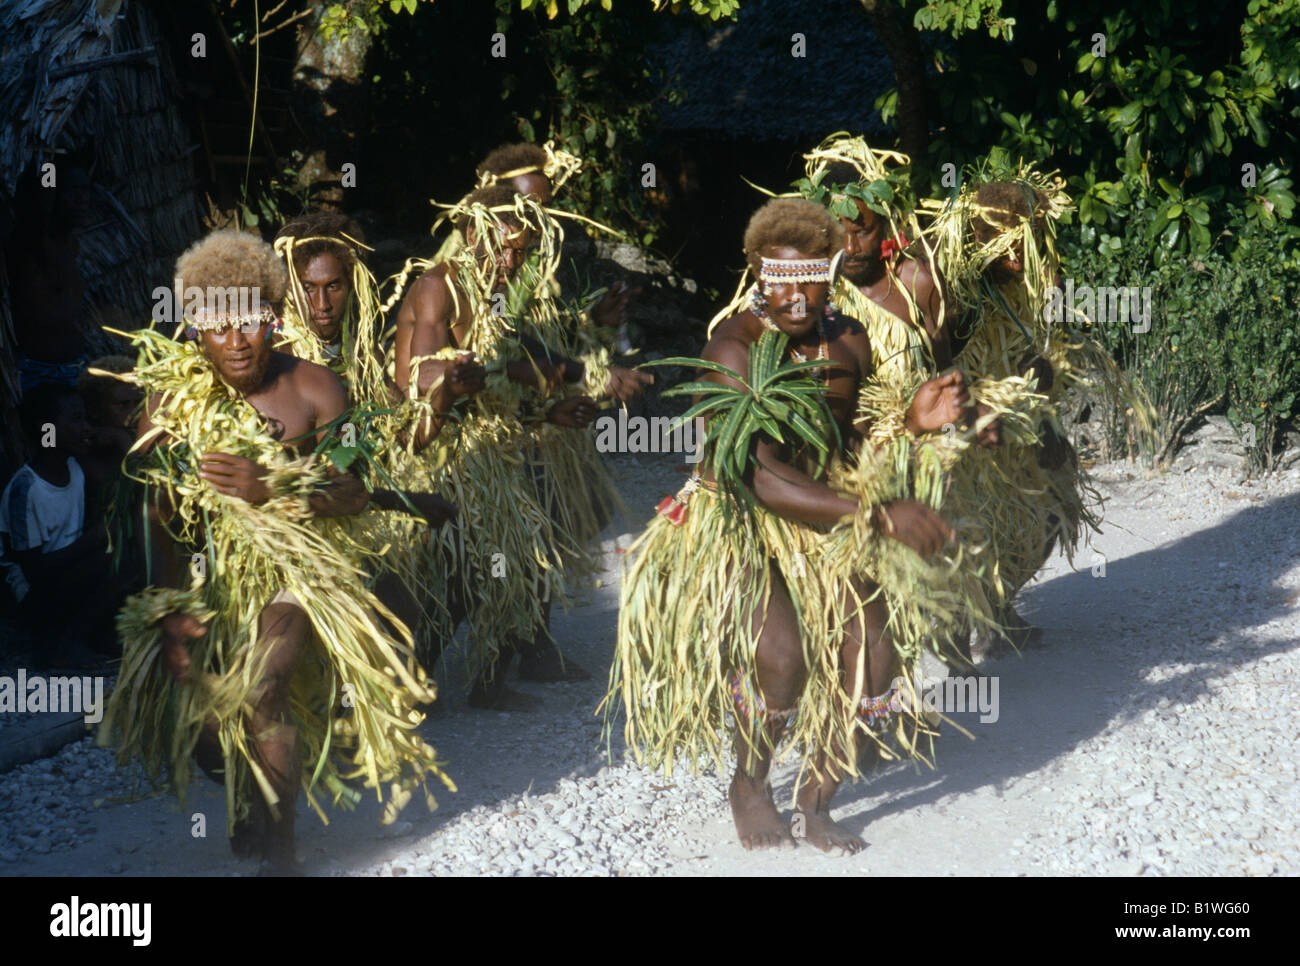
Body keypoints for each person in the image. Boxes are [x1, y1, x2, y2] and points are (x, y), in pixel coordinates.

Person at [613, 199, 976, 853]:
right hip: (740, 521)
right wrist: (873, 516)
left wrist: (908, 426)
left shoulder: (849, 340)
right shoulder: (732, 348)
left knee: (874, 658)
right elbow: (760, 475)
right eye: (780, 281)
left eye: (811, 280)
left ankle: (816, 798)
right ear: (756, 274)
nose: (797, 298)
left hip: (823, 515)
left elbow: (846, 442)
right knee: (782, 659)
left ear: (832, 272)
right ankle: (750, 786)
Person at [98, 229, 451, 874]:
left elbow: (351, 491)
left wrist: (272, 487)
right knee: (209, 721)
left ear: (273, 318)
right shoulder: (168, 406)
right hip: (203, 577)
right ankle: (250, 798)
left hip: (297, 568)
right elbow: (154, 509)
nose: (235, 341)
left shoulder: (316, 388)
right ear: (194, 330)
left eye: (250, 322)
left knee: (265, 685)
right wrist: (169, 609)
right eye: (216, 324)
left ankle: (282, 850)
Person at [0, 383, 119, 663]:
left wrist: (118, 439)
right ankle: (56, 647)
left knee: (123, 556)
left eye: (87, 419)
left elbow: (124, 484)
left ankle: (87, 637)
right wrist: (94, 539)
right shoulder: (27, 489)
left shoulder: (75, 469)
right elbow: (34, 571)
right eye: (77, 420)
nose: (87, 428)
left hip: (68, 577)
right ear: (48, 431)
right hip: (33, 594)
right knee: (108, 561)